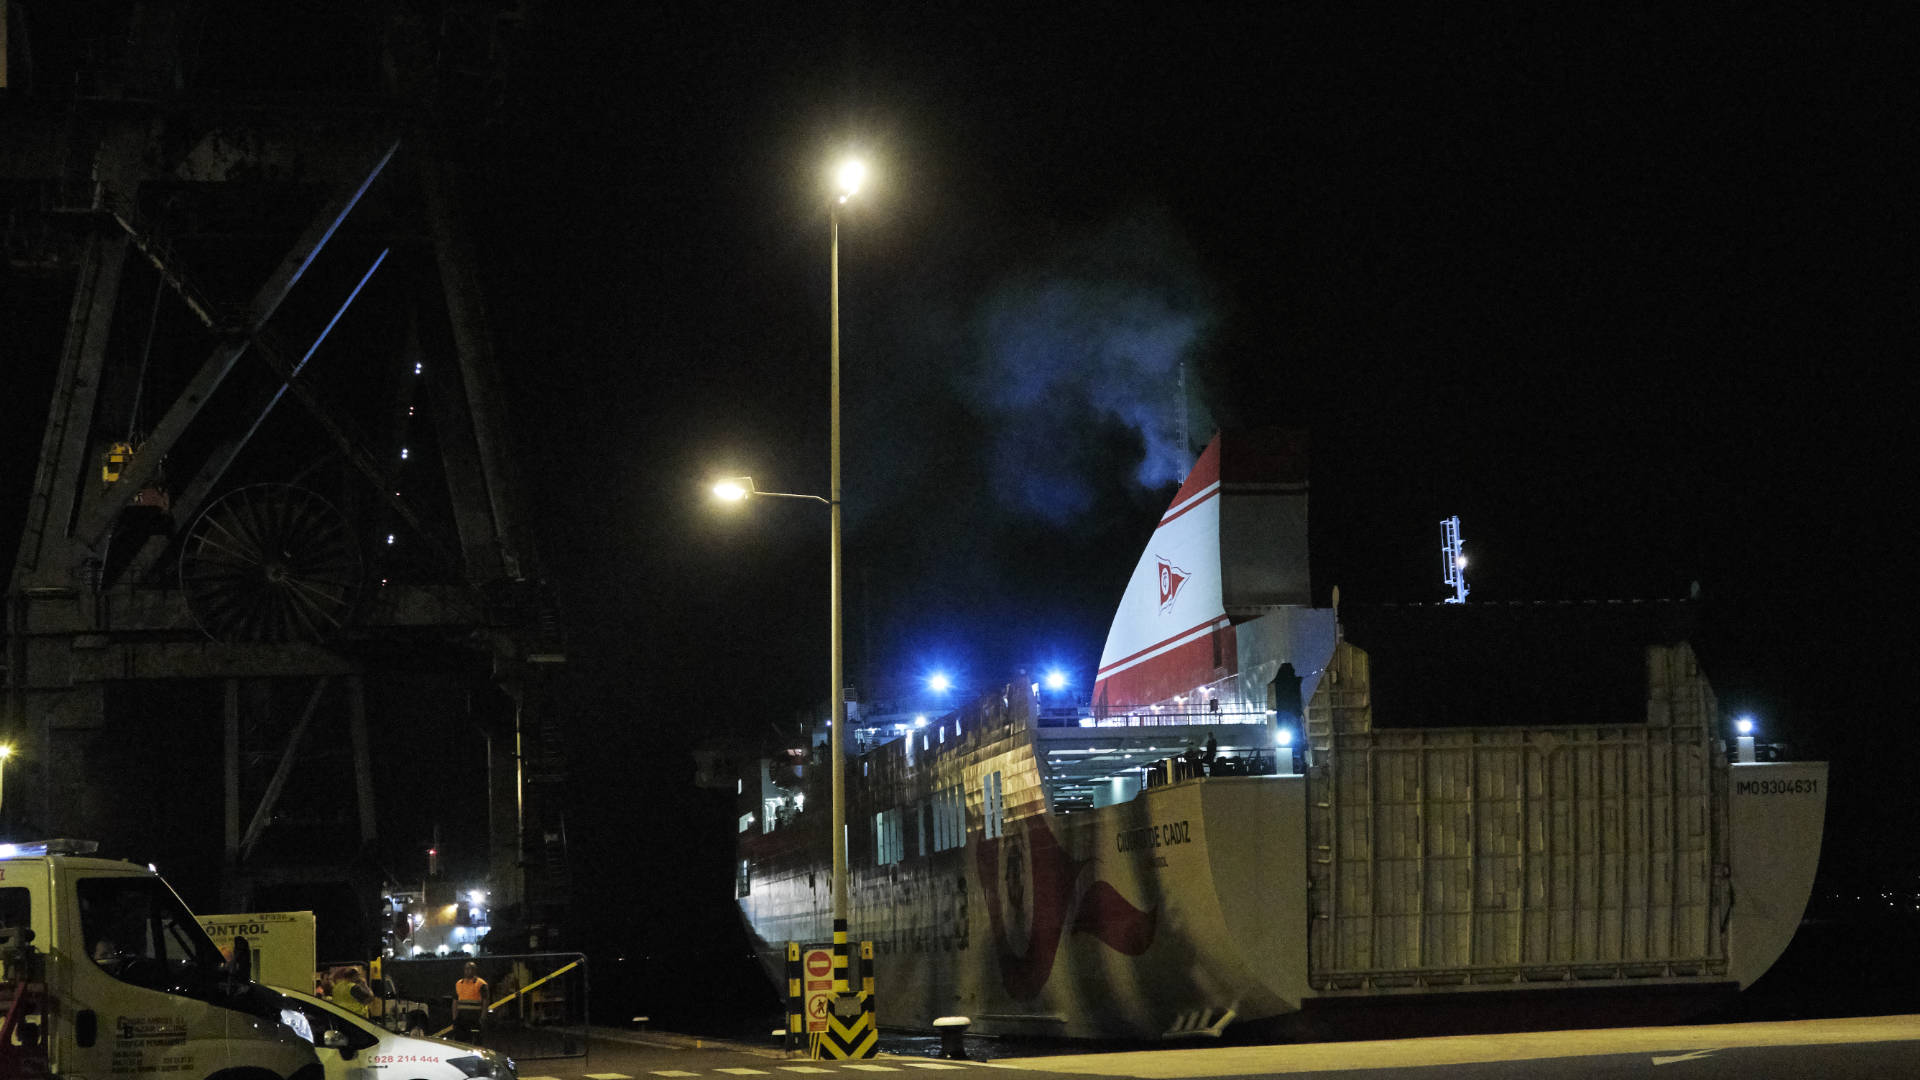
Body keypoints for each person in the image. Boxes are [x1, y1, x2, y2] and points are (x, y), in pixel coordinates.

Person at [452, 962, 489, 1044]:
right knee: (460, 1043)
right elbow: (455, 1002)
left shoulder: (481, 983)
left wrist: (483, 1018)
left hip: (475, 1018)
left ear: (475, 970)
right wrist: (455, 1018)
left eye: (471, 969)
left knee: (476, 1043)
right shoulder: (459, 983)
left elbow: (485, 1002)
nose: (468, 971)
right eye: (466, 969)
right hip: (462, 1018)